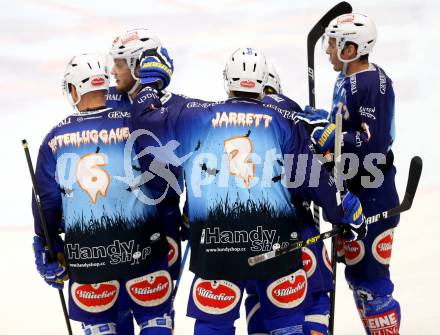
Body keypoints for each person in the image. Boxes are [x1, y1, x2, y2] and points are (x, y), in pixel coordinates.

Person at [130, 47, 366, 335]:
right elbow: (312, 178)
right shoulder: (284, 119)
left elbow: (144, 123)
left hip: (215, 247)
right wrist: (343, 214)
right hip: (275, 245)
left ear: (227, 81)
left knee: (214, 325)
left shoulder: (195, 114)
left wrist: (150, 85)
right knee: (286, 325)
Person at [32, 53, 173, 335]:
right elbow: (162, 182)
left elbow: (46, 204)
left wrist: (48, 246)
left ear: (74, 89)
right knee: (155, 323)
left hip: (88, 263)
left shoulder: (54, 139)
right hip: (144, 252)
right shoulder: (135, 122)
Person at [298, 13, 400, 334]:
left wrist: (331, 136)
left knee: (371, 283)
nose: (327, 50)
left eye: (332, 43)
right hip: (354, 190)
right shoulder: (348, 78)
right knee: (357, 280)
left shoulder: (373, 84)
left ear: (351, 47)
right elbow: (344, 131)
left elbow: (375, 146)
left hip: (372, 193)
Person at [107, 28, 190, 334]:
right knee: (115, 311)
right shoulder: (106, 102)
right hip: (116, 226)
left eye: (120, 64)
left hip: (161, 222)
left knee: (156, 312)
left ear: (139, 64)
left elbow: (201, 161)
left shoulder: (178, 107)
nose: (113, 71)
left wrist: (193, 210)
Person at [244, 64, 334, 335]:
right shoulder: (294, 114)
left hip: (248, 232)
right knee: (314, 294)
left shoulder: (232, 119)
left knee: (259, 296)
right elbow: (322, 171)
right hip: (298, 226)